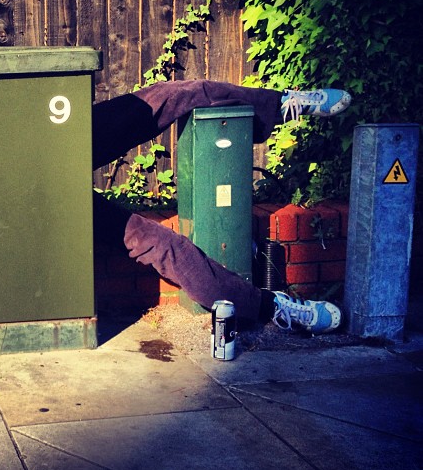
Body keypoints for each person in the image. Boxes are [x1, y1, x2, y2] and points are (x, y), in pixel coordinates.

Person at [91, 81, 352, 334]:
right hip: (55, 206)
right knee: (162, 244)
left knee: (171, 94)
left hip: (65, 133)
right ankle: (270, 307)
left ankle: (280, 104)